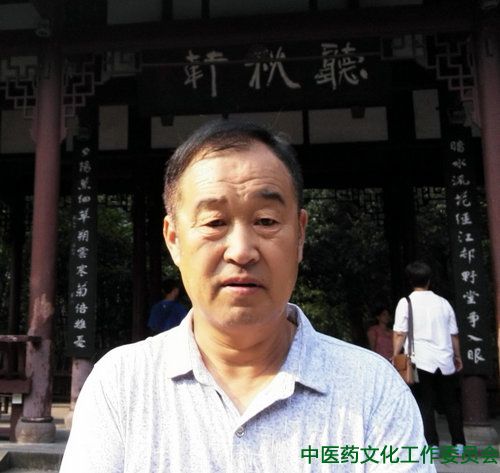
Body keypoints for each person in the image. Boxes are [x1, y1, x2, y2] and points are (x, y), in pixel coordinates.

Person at [61, 120, 432, 472]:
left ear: (300, 234)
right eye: (214, 222)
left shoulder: (373, 389)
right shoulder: (120, 385)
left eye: (266, 221)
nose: (241, 251)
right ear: (173, 239)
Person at [393, 261, 465, 451]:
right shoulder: (443, 303)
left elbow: (400, 333)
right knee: (451, 402)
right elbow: (454, 334)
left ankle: (432, 444)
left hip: (420, 360)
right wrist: (458, 356)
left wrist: (395, 355)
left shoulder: (406, 303)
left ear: (410, 281)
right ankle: (459, 443)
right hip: (445, 359)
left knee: (425, 403)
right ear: (429, 280)